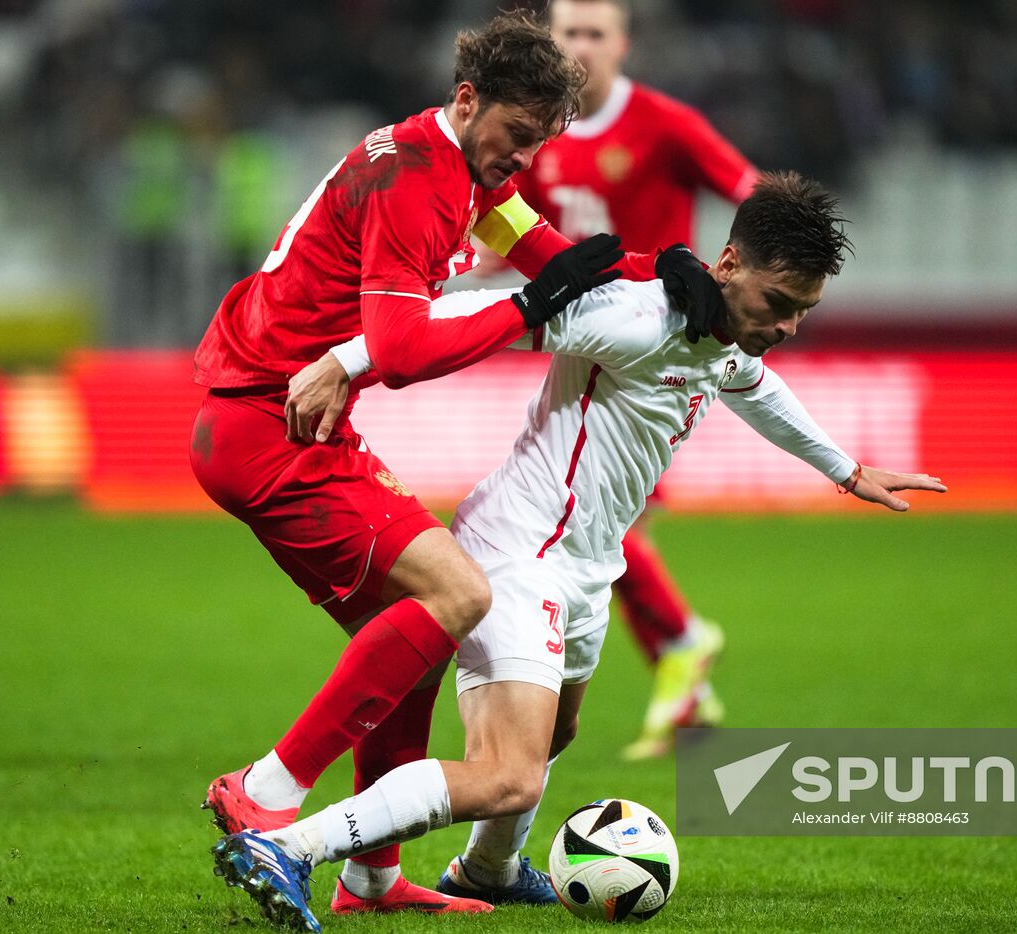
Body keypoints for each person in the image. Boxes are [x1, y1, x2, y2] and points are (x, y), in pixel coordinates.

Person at [220, 172, 945, 930]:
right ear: (729, 264)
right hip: (519, 553)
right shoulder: (635, 316)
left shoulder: (721, 334)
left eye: (804, 312)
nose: (789, 326)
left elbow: (754, 386)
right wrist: (349, 360)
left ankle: (488, 869)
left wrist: (847, 470)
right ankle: (292, 847)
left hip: (591, 566)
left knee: (557, 733)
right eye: (779, 304)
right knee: (508, 777)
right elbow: (477, 312)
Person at [189, 12, 721, 928]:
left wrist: (664, 269)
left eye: (539, 145)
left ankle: (370, 878)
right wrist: (525, 309)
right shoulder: (420, 178)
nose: (521, 161)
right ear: (468, 101)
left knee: (419, 636)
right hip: (269, 426)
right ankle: (265, 791)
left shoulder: (468, 173)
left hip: (281, 424)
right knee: (459, 596)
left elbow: (552, 258)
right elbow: (397, 345)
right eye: (516, 138)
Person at [520, 0, 765, 759]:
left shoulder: (664, 122)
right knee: (597, 527)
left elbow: (754, 197)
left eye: (597, 33)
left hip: (659, 349)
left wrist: (733, 286)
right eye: (569, 33)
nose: (583, 46)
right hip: (583, 346)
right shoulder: (540, 132)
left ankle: (685, 643)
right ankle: (686, 684)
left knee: (602, 525)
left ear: (623, 44)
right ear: (551, 43)